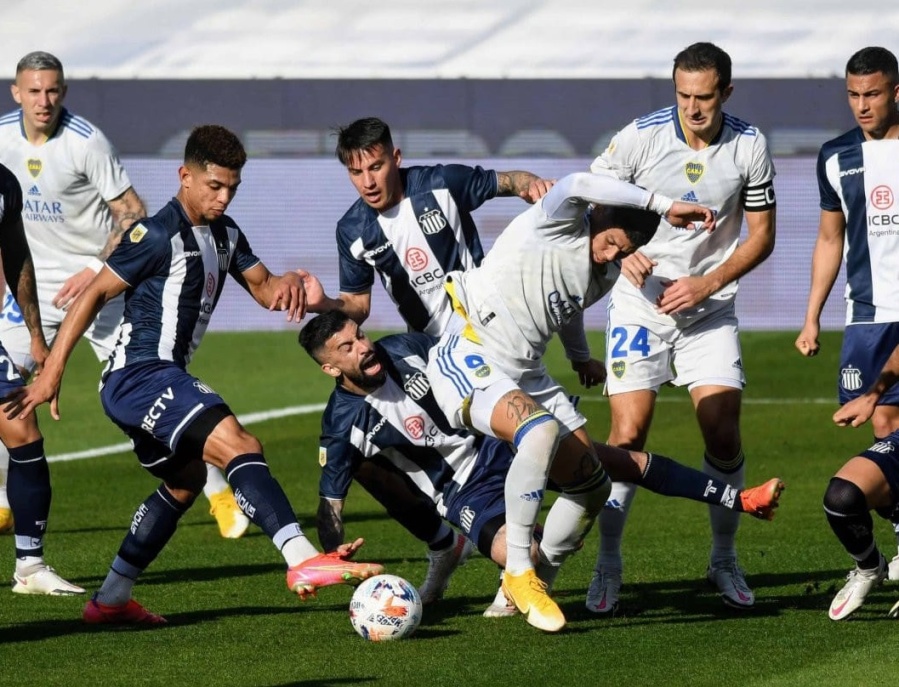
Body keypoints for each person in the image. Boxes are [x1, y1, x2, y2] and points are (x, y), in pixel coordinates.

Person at [4, 125, 383, 625]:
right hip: (137, 376)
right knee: (240, 445)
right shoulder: (155, 234)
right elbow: (94, 293)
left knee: (184, 482)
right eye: (214, 186)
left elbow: (269, 292)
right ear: (185, 176)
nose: (224, 197)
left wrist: (299, 287)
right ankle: (299, 559)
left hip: (155, 380)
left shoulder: (225, 234)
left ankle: (111, 599)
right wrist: (52, 370)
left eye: (233, 187)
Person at [299, 310, 783, 616]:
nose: (363, 347)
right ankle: (512, 572)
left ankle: (737, 497)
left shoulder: (407, 348)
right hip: (462, 490)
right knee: (526, 551)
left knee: (611, 459)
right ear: (328, 368)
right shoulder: (343, 424)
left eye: (359, 335)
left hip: (498, 443)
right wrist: (333, 557)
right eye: (347, 347)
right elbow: (330, 504)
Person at [424, 169, 715, 631]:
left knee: (592, 487)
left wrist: (580, 355)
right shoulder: (557, 220)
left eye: (628, 250)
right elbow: (579, 180)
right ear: (598, 217)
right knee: (538, 431)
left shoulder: (609, 269)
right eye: (615, 240)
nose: (616, 252)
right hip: (470, 348)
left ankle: (526, 587)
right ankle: (518, 569)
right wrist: (663, 203)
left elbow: (566, 304)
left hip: (525, 372)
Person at [303, 116, 555, 609]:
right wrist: (322, 304)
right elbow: (357, 307)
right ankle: (455, 545)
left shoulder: (440, 182)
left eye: (376, 166)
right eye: (357, 173)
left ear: (395, 158)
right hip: (433, 354)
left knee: (544, 450)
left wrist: (535, 188)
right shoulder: (352, 229)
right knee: (370, 454)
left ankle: (531, 555)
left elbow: (511, 181)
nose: (369, 181)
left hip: (490, 337)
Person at [0, 51, 247, 540]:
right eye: (34, 90)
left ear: (63, 91)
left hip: (102, 293)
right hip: (32, 293)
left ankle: (215, 487)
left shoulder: (86, 142)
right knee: (5, 394)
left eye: (52, 90)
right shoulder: (2, 135)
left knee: (148, 396)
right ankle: (6, 498)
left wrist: (95, 268)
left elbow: (133, 211)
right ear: (16, 92)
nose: (43, 101)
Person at [587, 42, 777, 613]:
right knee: (627, 437)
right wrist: (622, 254)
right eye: (684, 95)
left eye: (705, 96)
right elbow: (590, 195)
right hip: (639, 305)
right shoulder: (640, 137)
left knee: (722, 432)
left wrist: (707, 283)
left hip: (707, 309)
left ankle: (723, 559)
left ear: (726, 93)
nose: (693, 107)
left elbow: (763, 235)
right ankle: (608, 564)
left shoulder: (749, 144)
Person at [793, 46, 899, 620]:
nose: (863, 105)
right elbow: (831, 238)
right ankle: (884, 552)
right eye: (854, 95)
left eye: (874, 94)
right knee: (884, 426)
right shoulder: (836, 156)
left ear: (897, 92)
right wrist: (812, 314)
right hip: (866, 316)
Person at [0, 161, 83, 596]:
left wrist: (35, 335)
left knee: (24, 432)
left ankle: (30, 567)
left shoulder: (4, 184)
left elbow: (16, 258)